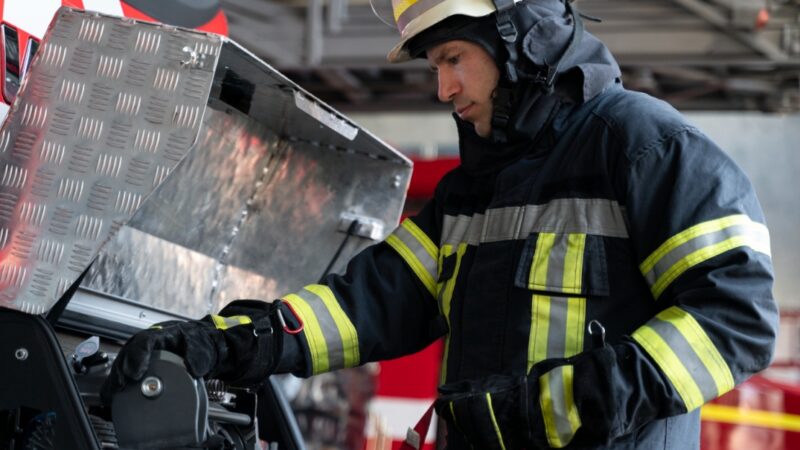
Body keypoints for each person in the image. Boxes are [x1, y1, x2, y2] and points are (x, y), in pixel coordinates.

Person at [103, 0, 779, 448]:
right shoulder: (471, 194)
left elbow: (735, 318)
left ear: (521, 39)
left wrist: (551, 407)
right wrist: (227, 342)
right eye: (436, 67)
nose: (444, 88)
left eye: (455, 58)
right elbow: (368, 304)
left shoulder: (645, 147)